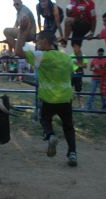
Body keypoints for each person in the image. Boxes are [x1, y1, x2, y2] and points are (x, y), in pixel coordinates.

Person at [24, 30, 77, 167]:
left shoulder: (41, 56)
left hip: (49, 99)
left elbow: (19, 52)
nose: (37, 43)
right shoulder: (66, 58)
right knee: (68, 127)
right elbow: (71, 74)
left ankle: (51, 135)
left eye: (38, 40)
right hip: (65, 98)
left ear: (45, 41)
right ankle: (72, 153)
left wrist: (21, 35)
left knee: (44, 119)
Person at [60, 0, 96, 66]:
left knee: (68, 20)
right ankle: (80, 62)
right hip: (76, 25)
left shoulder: (89, 3)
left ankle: (65, 40)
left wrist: (92, 33)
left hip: (86, 24)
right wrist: (68, 9)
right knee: (75, 46)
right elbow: (68, 14)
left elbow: (94, 19)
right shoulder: (73, 1)